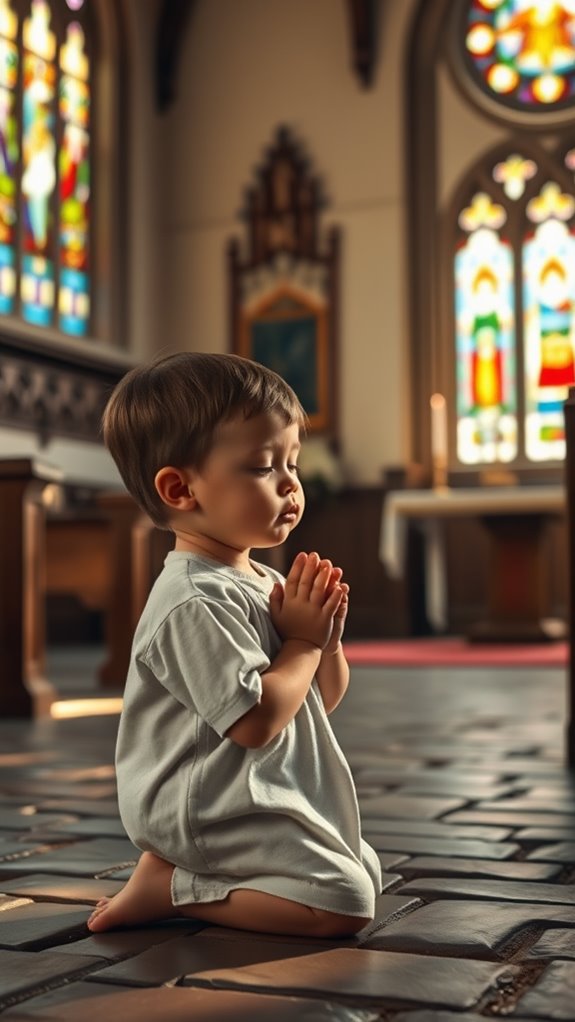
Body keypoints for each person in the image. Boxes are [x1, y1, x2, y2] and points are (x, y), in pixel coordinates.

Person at [88, 351, 382, 938]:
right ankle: (174, 885)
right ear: (180, 488)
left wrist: (328, 641)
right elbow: (255, 722)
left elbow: (321, 699)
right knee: (344, 904)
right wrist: (302, 638)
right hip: (203, 805)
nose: (290, 483)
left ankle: (190, 876)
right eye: (262, 467)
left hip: (254, 792)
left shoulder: (267, 582)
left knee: (367, 870)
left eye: (292, 463)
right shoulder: (192, 600)